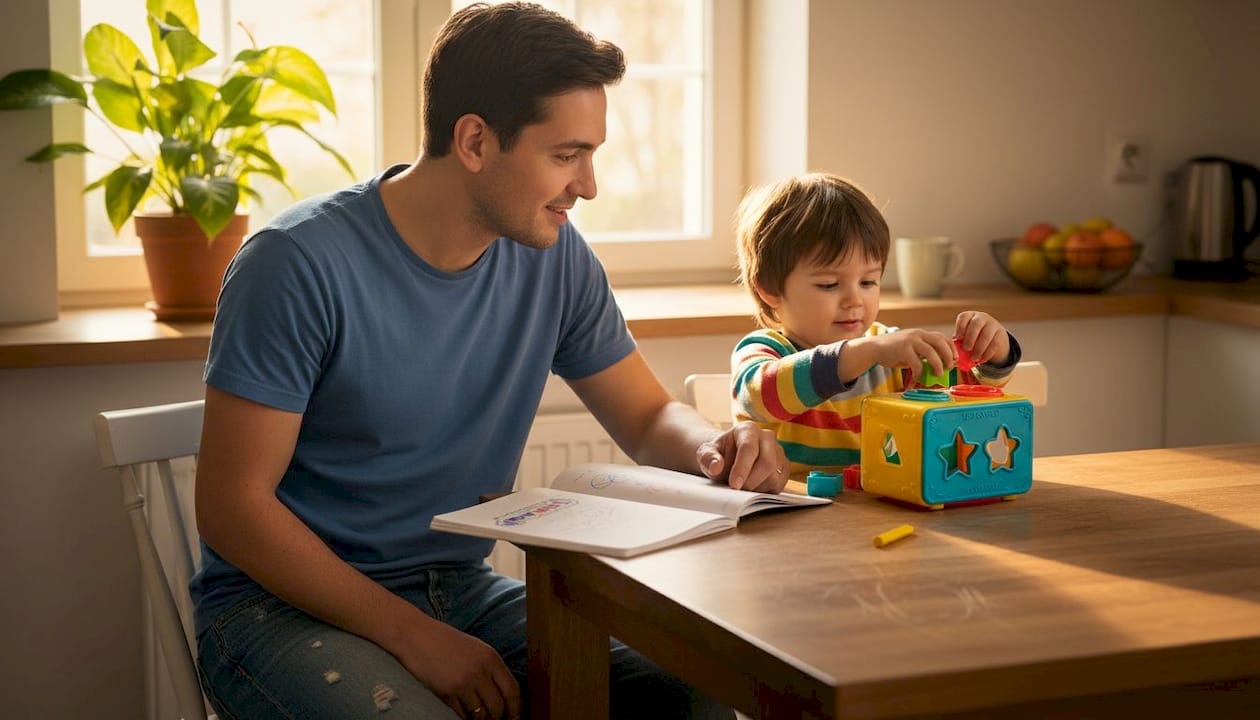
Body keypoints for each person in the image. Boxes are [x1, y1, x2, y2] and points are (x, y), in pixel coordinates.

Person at [190, 3, 788, 719]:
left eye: (591, 154)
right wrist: (413, 636)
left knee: (686, 694)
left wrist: (718, 449)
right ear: (474, 140)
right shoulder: (294, 264)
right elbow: (232, 508)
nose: (588, 185)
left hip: (458, 591)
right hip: (279, 611)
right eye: (566, 154)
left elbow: (649, 414)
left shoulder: (555, 256)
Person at [731, 172, 1021, 476]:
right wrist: (865, 351)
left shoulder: (892, 354)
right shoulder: (763, 350)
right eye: (829, 284)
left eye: (868, 281)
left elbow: (962, 395)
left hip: (884, 513)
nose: (854, 300)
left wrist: (992, 355)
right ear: (770, 289)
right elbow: (758, 397)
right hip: (793, 514)